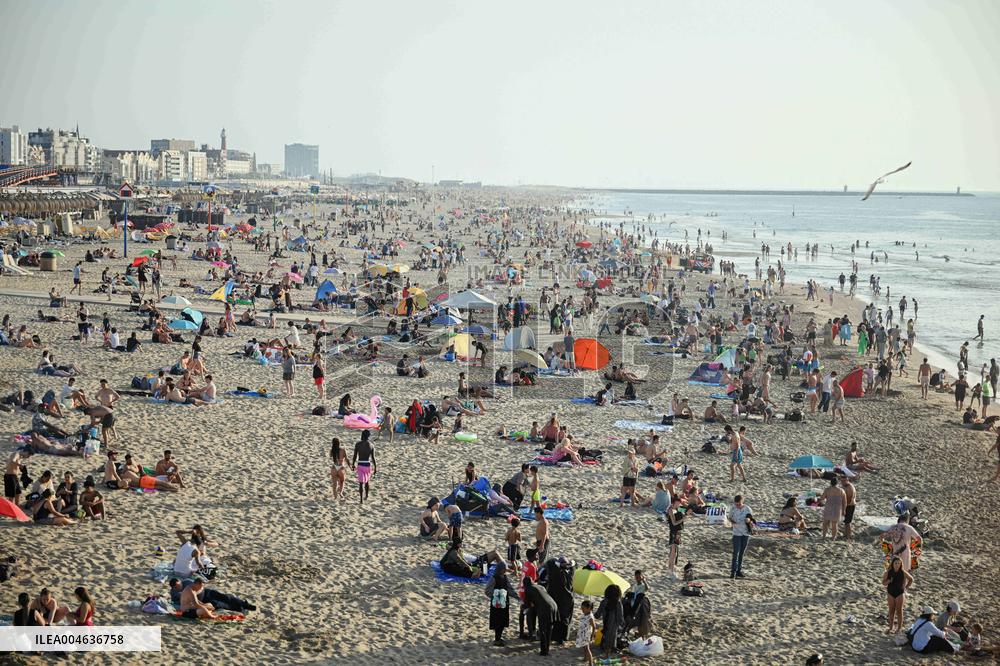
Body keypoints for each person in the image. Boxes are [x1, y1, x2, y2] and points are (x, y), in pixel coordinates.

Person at [168, 578, 255, 613]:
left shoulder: (186, 582)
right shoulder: (174, 593)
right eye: (176, 587)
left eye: (178, 584)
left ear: (179, 581)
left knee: (225, 597)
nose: (179, 587)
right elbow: (182, 602)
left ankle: (245, 604)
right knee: (219, 604)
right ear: (173, 587)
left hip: (206, 592)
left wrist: (196, 592)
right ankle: (239, 608)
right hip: (202, 601)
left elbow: (199, 586)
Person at [522, 577, 558, 656]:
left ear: (525, 584)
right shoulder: (540, 586)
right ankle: (547, 649)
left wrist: (523, 607)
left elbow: (527, 604)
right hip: (554, 605)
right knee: (549, 629)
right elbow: (542, 597)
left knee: (543, 630)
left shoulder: (528, 589)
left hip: (545, 608)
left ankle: (544, 651)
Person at [484, 561, 518, 646]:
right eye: (504, 569)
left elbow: (509, 589)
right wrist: (497, 594)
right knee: (497, 621)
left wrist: (517, 596)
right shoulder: (494, 578)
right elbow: (487, 590)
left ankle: (499, 638)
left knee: (503, 621)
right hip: (496, 604)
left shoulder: (505, 577)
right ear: (500, 569)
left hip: (504, 603)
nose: (505, 570)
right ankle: (497, 639)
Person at [882, 557, 913, 633]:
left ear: (901, 564)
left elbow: (911, 579)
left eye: (899, 563)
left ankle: (899, 628)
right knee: (891, 610)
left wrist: (906, 588)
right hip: (890, 593)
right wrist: (889, 580)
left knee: (899, 611)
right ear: (892, 563)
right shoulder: (888, 572)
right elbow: (883, 583)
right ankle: (890, 628)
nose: (897, 565)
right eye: (896, 563)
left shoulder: (903, 572)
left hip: (900, 593)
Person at [729, 494, 755, 579]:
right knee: (735, 553)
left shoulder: (747, 508)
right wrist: (732, 522)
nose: (737, 505)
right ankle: (733, 572)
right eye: (736, 504)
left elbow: (752, 520)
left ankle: (739, 571)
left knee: (742, 553)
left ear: (742, 502)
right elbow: (730, 518)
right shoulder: (733, 508)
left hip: (745, 533)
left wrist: (749, 520)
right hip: (736, 533)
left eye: (739, 504)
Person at [596, 584, 624, 658]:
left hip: (606, 624)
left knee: (606, 637)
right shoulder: (618, 603)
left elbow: (597, 615)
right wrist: (621, 626)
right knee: (612, 640)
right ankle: (608, 654)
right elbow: (620, 617)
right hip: (614, 625)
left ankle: (606, 652)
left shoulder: (604, 602)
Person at [351, 430, 376, 504]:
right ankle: (367, 496)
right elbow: (373, 458)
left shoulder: (358, 444)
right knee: (367, 481)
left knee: (361, 483)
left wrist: (353, 464)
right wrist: (375, 467)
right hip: (367, 464)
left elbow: (355, 456)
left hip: (360, 464)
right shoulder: (371, 445)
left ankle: (361, 499)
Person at [667, 496, 685, 580]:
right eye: (678, 503)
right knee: (673, 553)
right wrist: (683, 519)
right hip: (673, 532)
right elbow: (674, 523)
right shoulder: (670, 510)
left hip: (678, 533)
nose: (679, 504)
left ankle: (671, 569)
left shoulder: (677, 509)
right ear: (674, 502)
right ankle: (670, 570)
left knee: (675, 553)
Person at [577, 600, 597, 666]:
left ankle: (591, 663)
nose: (582, 610)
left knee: (587, 648)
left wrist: (592, 635)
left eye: (583, 608)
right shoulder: (585, 614)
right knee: (584, 647)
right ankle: (585, 658)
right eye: (581, 608)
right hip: (582, 633)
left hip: (587, 635)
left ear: (589, 609)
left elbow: (594, 627)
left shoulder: (590, 617)